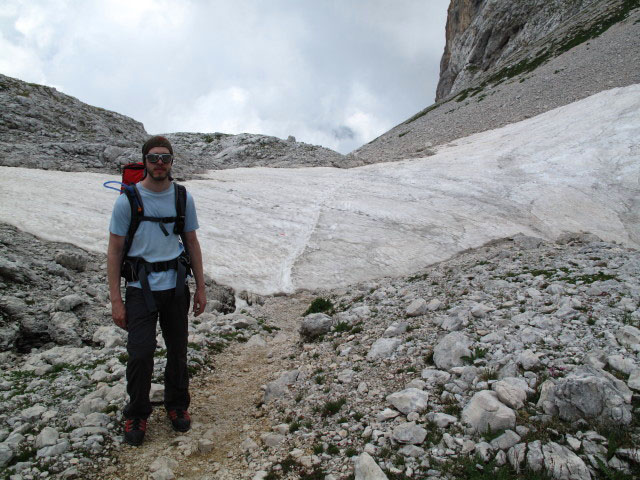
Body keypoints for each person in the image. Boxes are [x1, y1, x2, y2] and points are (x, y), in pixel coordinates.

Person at [107, 135, 206, 446]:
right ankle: (136, 412)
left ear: (172, 161)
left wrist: (201, 288)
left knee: (178, 351)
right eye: (154, 158)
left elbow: (191, 242)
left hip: (176, 287)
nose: (160, 163)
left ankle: (177, 407)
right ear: (145, 161)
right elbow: (114, 250)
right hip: (139, 289)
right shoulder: (128, 200)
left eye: (165, 158)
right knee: (140, 353)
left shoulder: (182, 198)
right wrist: (116, 300)